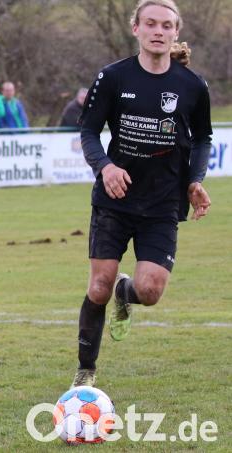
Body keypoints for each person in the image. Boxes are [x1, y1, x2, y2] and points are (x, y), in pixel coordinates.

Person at [72, 0, 212, 388]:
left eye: (166, 25)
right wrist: (106, 166)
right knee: (97, 287)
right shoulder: (113, 77)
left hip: (164, 203)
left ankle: (126, 292)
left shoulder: (193, 86)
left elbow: (202, 139)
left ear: (175, 33)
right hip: (114, 199)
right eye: (150, 23)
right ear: (135, 28)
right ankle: (85, 371)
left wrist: (195, 180)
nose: (158, 31)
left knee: (149, 291)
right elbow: (88, 132)